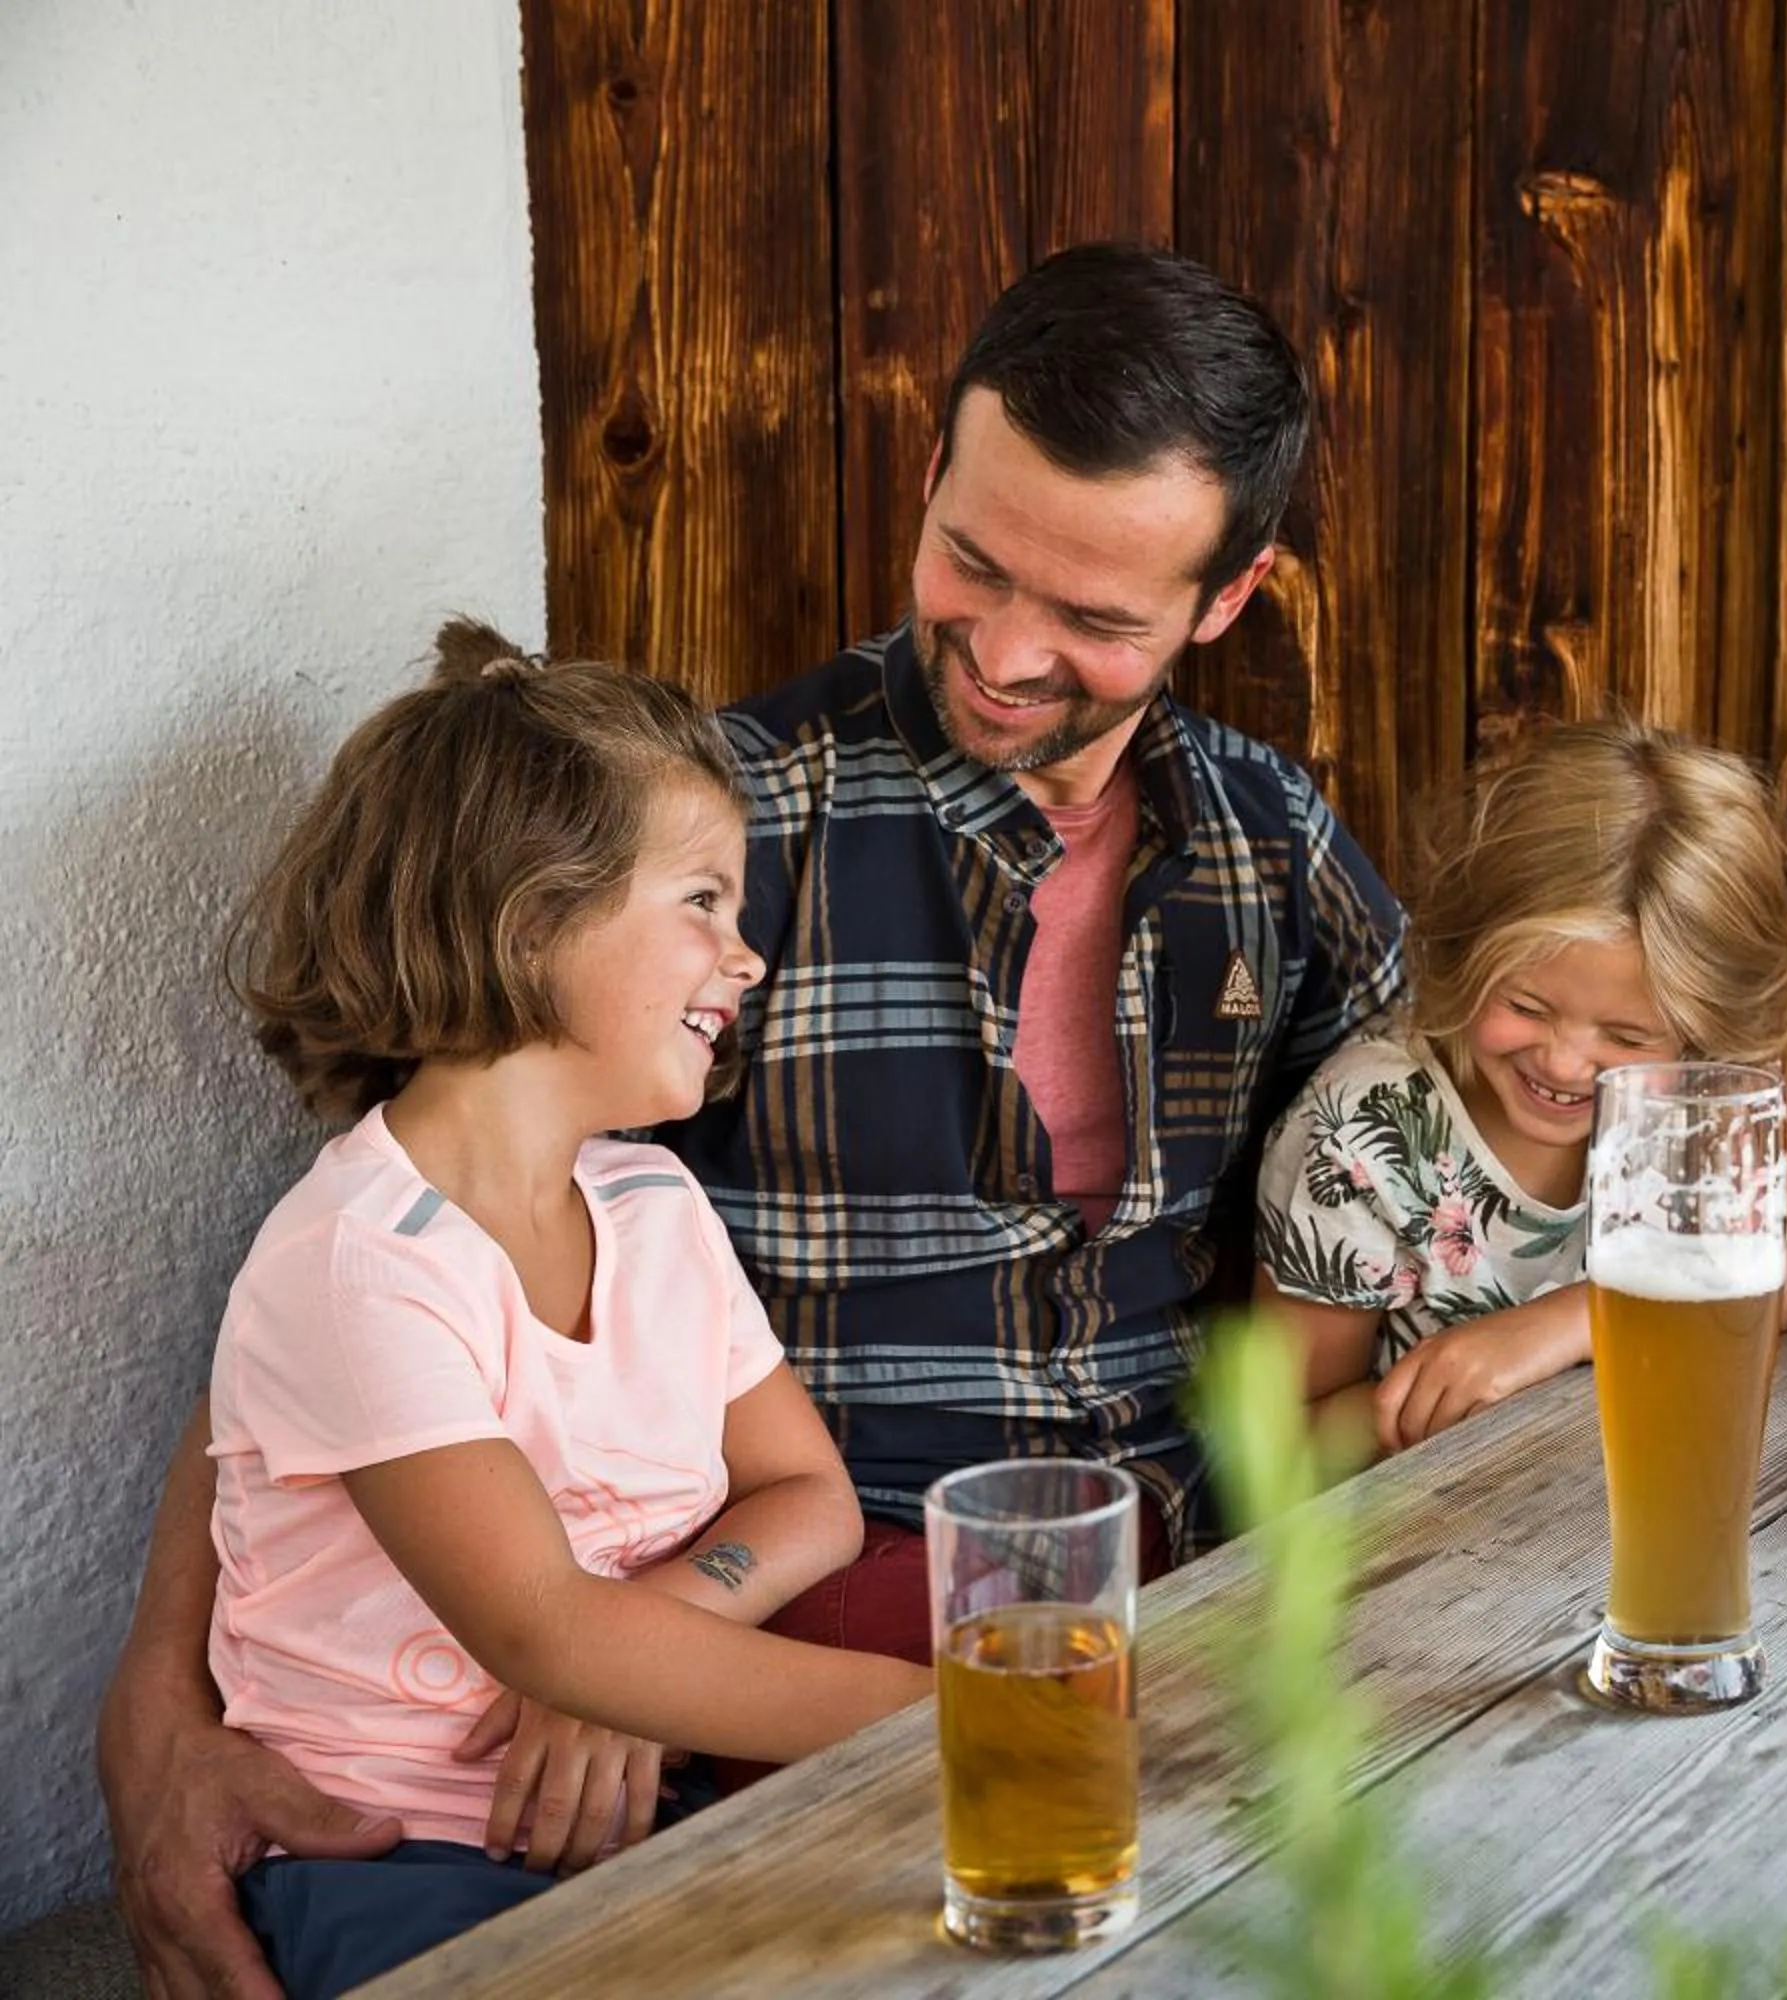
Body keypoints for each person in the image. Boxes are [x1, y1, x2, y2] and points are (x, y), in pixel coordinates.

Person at [98, 245, 1404, 2000]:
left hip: (1178, 1579)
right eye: (972, 560)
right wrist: (154, 1718)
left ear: (1227, 597)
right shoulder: (718, 835)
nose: (1010, 653)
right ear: (931, 468)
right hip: (826, 1606)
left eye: (1094, 620)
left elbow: (1448, 1147)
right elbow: (360, 1286)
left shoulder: (1266, 842)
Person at [200, 624, 930, 1998]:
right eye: (704, 901)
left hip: (640, 1808)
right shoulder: (361, 1262)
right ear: (532, 915)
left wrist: (661, 1621)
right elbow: (544, 1631)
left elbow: (807, 1494)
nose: (748, 955)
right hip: (388, 1857)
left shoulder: (653, 1208)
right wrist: (943, 1721)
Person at [1254, 720, 1787, 1457]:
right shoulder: (1356, 1132)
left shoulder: (1710, 1075)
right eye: (1526, 1008)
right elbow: (1288, 1442)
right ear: (1464, 952)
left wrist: (1576, 1323)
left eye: (1628, 1038)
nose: (1567, 1065)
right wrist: (1437, 1406)